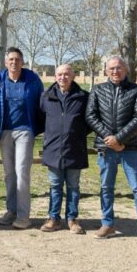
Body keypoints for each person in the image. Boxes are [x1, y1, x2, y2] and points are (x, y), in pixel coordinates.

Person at [86, 56, 137, 251]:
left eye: (118, 68)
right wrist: (109, 138)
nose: (115, 71)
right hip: (106, 147)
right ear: (106, 71)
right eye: (111, 68)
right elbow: (90, 116)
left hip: (129, 148)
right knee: (106, 187)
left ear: (125, 69)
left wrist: (120, 139)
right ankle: (107, 224)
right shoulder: (97, 90)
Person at [0, 47, 45, 230]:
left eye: (17, 59)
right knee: (9, 174)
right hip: (5, 131)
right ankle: (11, 211)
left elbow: (42, 103)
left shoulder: (33, 80)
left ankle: (23, 216)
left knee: (22, 172)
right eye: (11, 59)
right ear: (6, 62)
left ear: (22, 62)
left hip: (25, 131)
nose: (14, 62)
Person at [39, 64, 90, 234]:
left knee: (73, 186)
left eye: (67, 74)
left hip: (75, 148)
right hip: (53, 148)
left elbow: (90, 121)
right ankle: (53, 218)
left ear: (73, 76)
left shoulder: (84, 97)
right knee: (55, 185)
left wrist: (76, 133)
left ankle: (72, 219)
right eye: (60, 74)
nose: (63, 77)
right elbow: (40, 119)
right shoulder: (46, 96)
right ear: (55, 77)